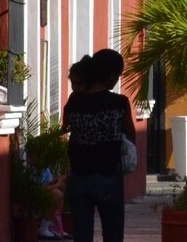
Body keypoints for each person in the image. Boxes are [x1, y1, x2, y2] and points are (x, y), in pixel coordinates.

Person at [63, 50, 136, 242]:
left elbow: (66, 127)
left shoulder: (74, 101)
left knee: (81, 234)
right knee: (112, 234)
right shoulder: (119, 103)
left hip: (78, 177)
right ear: (112, 74)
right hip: (108, 177)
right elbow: (131, 136)